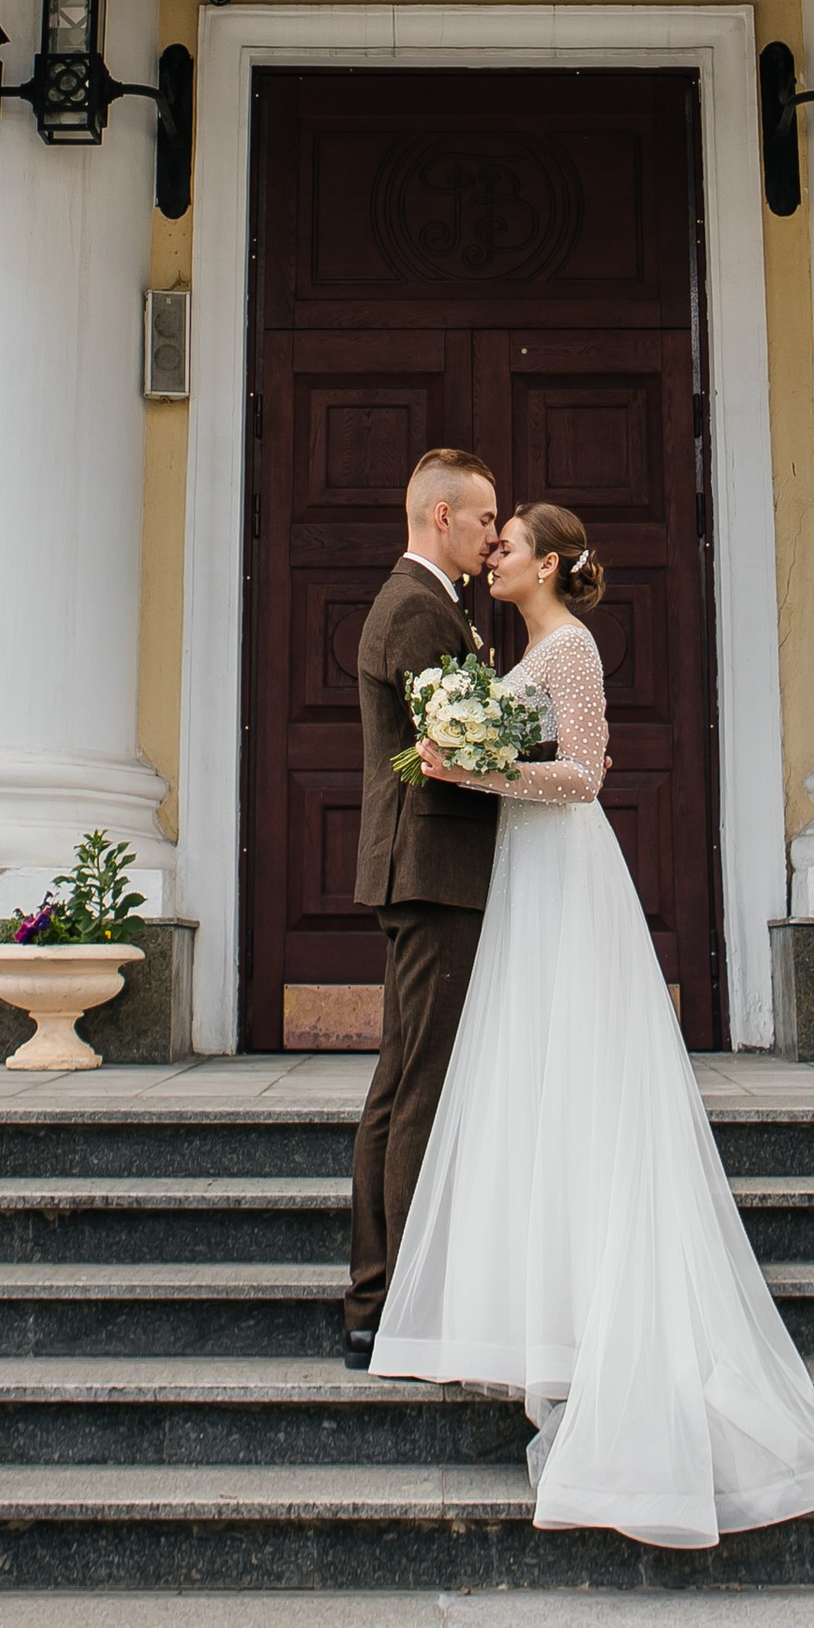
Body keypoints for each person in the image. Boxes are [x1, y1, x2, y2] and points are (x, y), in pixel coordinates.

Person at [373, 501, 814, 1551]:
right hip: (526, 877)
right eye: (490, 536)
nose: (493, 550)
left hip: (564, 870)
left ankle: (606, 1333)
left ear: (546, 561)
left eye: (507, 541)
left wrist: (481, 770)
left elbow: (590, 775)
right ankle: (548, 1313)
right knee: (531, 1084)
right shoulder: (521, 646)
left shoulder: (573, 648)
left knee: (581, 1079)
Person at [343, 445, 502, 1372]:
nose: (494, 532)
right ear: (441, 516)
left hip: (428, 866)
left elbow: (423, 743)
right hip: (428, 868)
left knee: (404, 1080)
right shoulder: (413, 607)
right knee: (415, 1087)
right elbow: (428, 748)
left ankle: (379, 1296)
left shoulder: (433, 604)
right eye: (484, 518)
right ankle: (391, 1298)